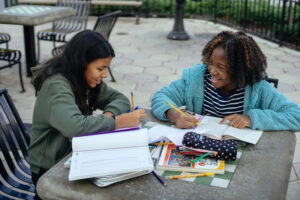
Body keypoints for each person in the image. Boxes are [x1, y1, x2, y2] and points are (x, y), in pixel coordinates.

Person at [28, 30, 146, 198]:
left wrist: (109, 116)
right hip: (49, 168)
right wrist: (117, 122)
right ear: (81, 63)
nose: (104, 75)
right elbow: (75, 127)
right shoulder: (56, 85)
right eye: (100, 68)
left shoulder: (84, 79)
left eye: (106, 68)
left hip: (74, 155)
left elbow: (120, 99)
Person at [151, 31, 300, 131]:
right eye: (210, 63)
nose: (212, 71)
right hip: (200, 147)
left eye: (221, 67)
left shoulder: (258, 89)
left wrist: (251, 118)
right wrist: (176, 116)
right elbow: (160, 97)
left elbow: (296, 116)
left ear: (240, 70)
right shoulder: (196, 79)